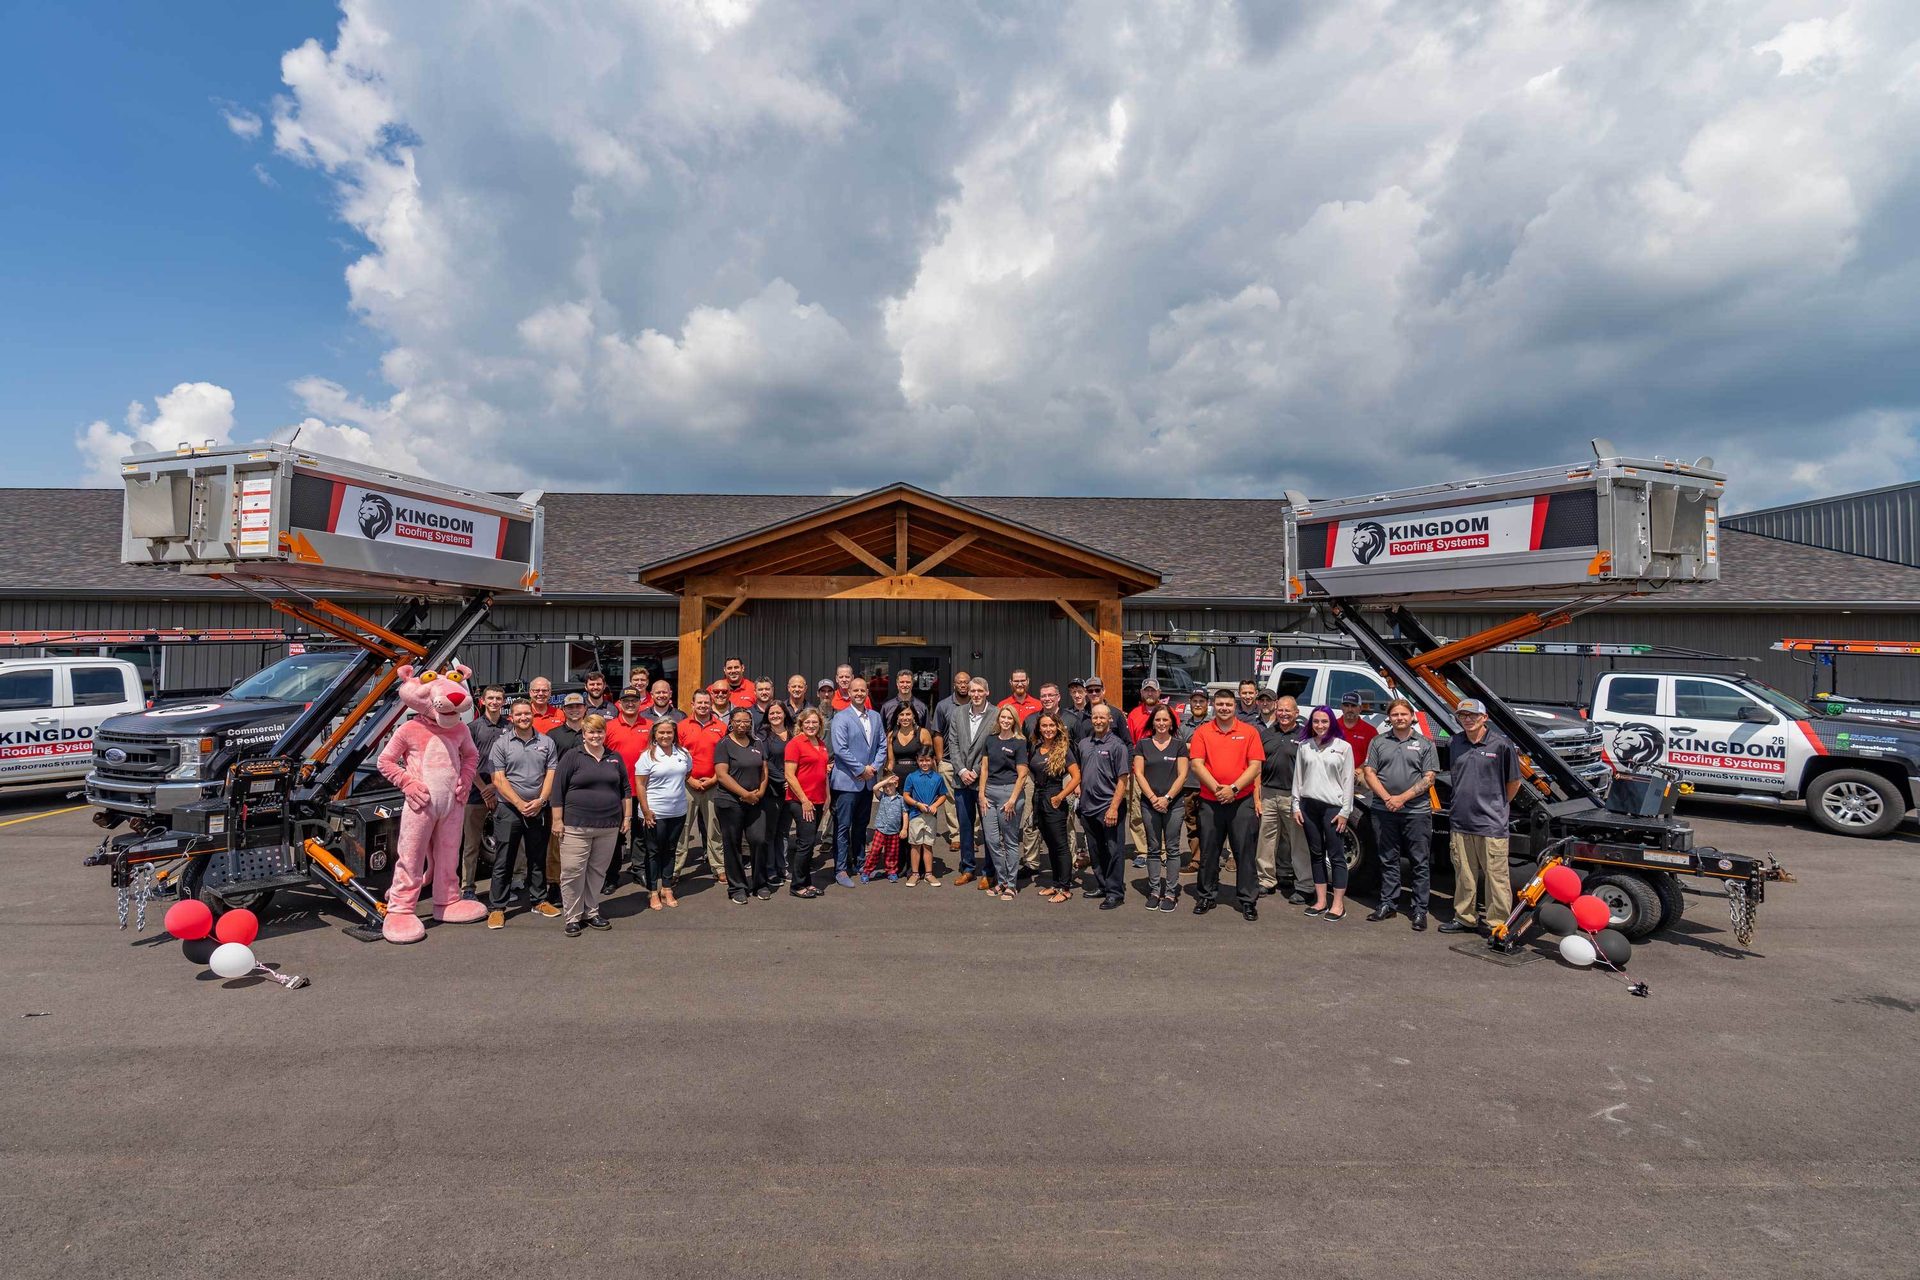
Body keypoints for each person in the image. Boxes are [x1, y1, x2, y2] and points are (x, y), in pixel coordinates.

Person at [1439, 699, 1522, 937]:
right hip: (1461, 821)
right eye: (1463, 715)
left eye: (1472, 715)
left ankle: (1498, 925)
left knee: (1496, 878)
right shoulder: (1455, 742)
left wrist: (1498, 804)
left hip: (1491, 823)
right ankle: (1465, 918)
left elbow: (1514, 782)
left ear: (1484, 718)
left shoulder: (1501, 745)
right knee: (1464, 874)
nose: (1467, 719)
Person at [1362, 697, 1440, 930]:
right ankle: (1388, 904)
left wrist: (1402, 799)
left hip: (1416, 812)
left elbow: (1429, 778)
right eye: (1395, 714)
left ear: (1412, 717)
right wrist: (1388, 799)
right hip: (1383, 809)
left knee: (1419, 861)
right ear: (1389, 718)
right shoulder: (1378, 742)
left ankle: (1419, 910)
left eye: (1403, 714)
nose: (1399, 718)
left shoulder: (1425, 744)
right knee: (1388, 858)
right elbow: (1369, 772)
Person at [1186, 689, 1264, 922]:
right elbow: (1197, 765)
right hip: (1211, 802)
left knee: (1245, 852)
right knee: (1209, 851)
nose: (1224, 708)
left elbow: (1255, 766)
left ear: (1235, 706)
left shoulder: (1249, 732)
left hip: (1242, 801)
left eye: (1228, 704)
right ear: (1213, 705)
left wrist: (1234, 789)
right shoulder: (1202, 732)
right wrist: (1219, 789)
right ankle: (1206, 895)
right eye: (1220, 704)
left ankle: (1248, 900)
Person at [552, 714, 631, 936]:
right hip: (576, 826)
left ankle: (591, 911)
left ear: (605, 734)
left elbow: (625, 788)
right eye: (591, 732)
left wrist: (626, 818)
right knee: (572, 871)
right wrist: (557, 820)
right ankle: (573, 916)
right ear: (584, 735)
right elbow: (558, 789)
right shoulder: (572, 756)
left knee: (597, 871)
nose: (596, 736)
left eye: (599, 732)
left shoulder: (614, 757)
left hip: (608, 826)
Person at [486, 698, 559, 928]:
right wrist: (519, 804)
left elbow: (551, 774)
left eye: (527, 714)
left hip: (538, 807)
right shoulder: (501, 744)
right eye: (519, 715)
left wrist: (541, 800)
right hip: (509, 808)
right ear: (512, 717)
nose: (523, 718)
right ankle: (498, 907)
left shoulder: (547, 742)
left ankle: (539, 900)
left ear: (532, 715)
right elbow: (498, 778)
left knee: (537, 856)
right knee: (504, 859)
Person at [1293, 707, 1354, 921]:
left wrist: (1346, 811)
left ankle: (1338, 905)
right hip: (1309, 806)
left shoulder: (1343, 747)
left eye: (1324, 722)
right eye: (1316, 721)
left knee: (1336, 856)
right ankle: (1320, 901)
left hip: (1333, 808)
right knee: (1316, 854)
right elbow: (1298, 778)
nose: (1320, 726)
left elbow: (1348, 782)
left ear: (1332, 723)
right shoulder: (1304, 746)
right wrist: (1295, 805)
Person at [828, 676, 886, 888]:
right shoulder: (841, 718)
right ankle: (841, 868)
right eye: (855, 691)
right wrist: (861, 769)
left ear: (867, 692)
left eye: (863, 690)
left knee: (861, 825)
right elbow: (840, 749)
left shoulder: (876, 717)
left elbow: (882, 745)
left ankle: (860, 862)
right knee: (843, 827)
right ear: (849, 693)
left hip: (867, 783)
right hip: (847, 783)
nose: (859, 694)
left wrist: (874, 768)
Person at [713, 707, 773, 903]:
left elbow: (764, 770)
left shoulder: (757, 742)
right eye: (738, 721)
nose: (742, 724)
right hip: (730, 802)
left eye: (746, 721)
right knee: (733, 844)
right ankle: (737, 887)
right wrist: (744, 794)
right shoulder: (724, 744)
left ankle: (760, 883)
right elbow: (722, 775)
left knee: (758, 840)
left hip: (756, 801)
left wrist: (761, 791)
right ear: (731, 722)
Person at [1132, 704, 1189, 911]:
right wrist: (1153, 798)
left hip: (1174, 804)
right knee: (1153, 849)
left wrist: (1166, 798)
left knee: (1173, 849)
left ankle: (1171, 892)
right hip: (1149, 804)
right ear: (1152, 722)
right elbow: (1139, 773)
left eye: (1166, 720)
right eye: (1158, 720)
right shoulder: (1143, 744)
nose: (1162, 723)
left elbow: (1183, 774)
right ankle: (1155, 890)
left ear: (1172, 722)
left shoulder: (1179, 745)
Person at [1074, 704, 1131, 909]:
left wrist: (1114, 808)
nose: (1098, 721)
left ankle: (1115, 892)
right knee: (1096, 850)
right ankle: (1103, 885)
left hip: (1108, 807)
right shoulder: (1083, 744)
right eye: (1095, 717)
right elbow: (1081, 772)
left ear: (1110, 720)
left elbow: (1123, 779)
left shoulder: (1118, 746)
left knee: (1114, 851)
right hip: (1088, 807)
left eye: (1102, 718)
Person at [1255, 694, 1309, 903]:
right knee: (1266, 840)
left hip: (1293, 795)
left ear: (1296, 713)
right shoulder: (1267, 734)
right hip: (1268, 793)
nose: (1284, 714)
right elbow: (1257, 765)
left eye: (1289, 710)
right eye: (1281, 710)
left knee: (1297, 841)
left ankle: (1303, 884)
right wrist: (1257, 795)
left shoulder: (1305, 736)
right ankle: (1266, 880)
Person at [941, 677, 994, 887]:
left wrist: (977, 771)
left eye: (980, 691)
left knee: (989, 828)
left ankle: (989, 871)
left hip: (985, 782)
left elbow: (994, 747)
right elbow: (952, 743)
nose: (976, 694)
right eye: (973, 691)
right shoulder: (958, 713)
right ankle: (968, 868)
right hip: (961, 780)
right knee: (965, 827)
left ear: (987, 692)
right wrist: (962, 770)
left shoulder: (996, 714)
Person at [634, 718, 692, 910]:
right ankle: (652, 891)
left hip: (678, 811)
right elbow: (640, 785)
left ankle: (667, 888)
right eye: (661, 733)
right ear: (654, 735)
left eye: (669, 732)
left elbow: (687, 774)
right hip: (654, 813)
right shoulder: (647, 756)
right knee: (653, 852)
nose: (665, 736)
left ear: (674, 734)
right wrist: (646, 810)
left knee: (670, 850)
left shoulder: (683, 754)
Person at [601, 686, 653, 894]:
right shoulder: (609, 726)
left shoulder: (650, 726)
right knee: (614, 835)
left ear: (640, 702)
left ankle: (638, 868)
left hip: (644, 789)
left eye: (634, 700)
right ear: (619, 704)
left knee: (641, 834)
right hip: (616, 790)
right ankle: (611, 875)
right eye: (626, 700)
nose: (630, 703)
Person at [540, 692, 589, 910]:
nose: (575, 710)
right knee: (556, 842)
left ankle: (582, 882)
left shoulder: (592, 732)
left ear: (585, 709)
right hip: (560, 795)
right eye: (570, 707)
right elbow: (547, 766)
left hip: (586, 795)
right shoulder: (553, 735)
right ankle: (554, 883)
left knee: (584, 841)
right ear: (564, 710)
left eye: (578, 706)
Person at [675, 689, 728, 883]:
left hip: (713, 785)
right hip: (687, 784)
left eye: (707, 702)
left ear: (711, 703)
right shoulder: (681, 727)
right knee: (683, 828)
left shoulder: (721, 727)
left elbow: (725, 757)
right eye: (700, 703)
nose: (703, 706)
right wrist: (689, 779)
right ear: (693, 704)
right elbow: (676, 756)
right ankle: (675, 869)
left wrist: (715, 778)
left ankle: (719, 866)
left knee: (714, 828)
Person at [1027, 710, 1080, 903]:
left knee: (1060, 845)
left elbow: (1076, 777)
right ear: (1039, 729)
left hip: (1054, 797)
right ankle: (1056, 883)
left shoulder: (1064, 749)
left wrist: (1060, 797)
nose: (1048, 729)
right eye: (1044, 726)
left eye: (1051, 725)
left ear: (1057, 727)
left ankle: (1065, 888)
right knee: (1049, 844)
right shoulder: (1036, 747)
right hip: (1039, 798)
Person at [461, 684, 508, 899]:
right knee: (471, 845)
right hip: (475, 792)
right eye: (491, 698)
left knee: (506, 842)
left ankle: (508, 884)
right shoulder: (472, 728)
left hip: (503, 791)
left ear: (504, 701)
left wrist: (495, 787)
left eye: (499, 698)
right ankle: (468, 887)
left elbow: (513, 760)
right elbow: (466, 762)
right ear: (483, 701)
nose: (495, 702)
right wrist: (484, 789)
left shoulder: (511, 727)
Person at [979, 704, 1030, 898]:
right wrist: (981, 794)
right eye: (1003, 718)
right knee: (992, 840)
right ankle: (1001, 880)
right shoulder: (990, 740)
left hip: (1010, 794)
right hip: (989, 793)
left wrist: (1012, 800)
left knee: (1009, 841)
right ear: (998, 720)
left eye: (1009, 718)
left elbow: (1023, 774)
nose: (1006, 721)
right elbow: (984, 768)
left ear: (1014, 720)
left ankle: (1011, 883)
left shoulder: (1019, 742)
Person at [783, 708, 830, 898]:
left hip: (818, 800)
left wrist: (827, 798)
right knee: (806, 842)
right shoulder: (795, 744)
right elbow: (789, 775)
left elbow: (823, 773)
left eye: (815, 722)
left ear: (820, 725)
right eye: (807, 722)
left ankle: (807, 882)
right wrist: (804, 800)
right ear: (801, 724)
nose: (811, 726)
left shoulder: (820, 743)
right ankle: (797, 885)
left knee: (810, 844)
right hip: (801, 801)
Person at [932, 668, 972, 851]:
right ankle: (956, 835)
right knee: (950, 799)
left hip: (972, 762)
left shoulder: (977, 703)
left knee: (974, 798)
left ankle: (972, 835)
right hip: (948, 761)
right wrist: (940, 759)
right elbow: (938, 733)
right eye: (960, 682)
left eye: (966, 682)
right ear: (954, 684)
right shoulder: (943, 705)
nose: (963, 685)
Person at [758, 700, 795, 887]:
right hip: (773, 790)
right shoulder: (763, 735)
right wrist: (785, 780)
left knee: (784, 831)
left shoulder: (794, 733)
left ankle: (783, 867)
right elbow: (766, 763)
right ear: (767, 716)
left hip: (791, 791)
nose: (775, 716)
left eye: (778, 712)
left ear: (785, 714)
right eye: (771, 713)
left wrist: (793, 782)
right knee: (770, 832)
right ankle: (770, 870)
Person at [900, 747, 948, 885]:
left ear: (933, 760)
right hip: (915, 815)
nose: (924, 763)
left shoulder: (938, 778)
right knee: (915, 845)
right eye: (921, 760)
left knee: (928, 844)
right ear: (917, 760)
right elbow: (906, 795)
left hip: (931, 816)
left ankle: (929, 873)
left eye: (927, 760)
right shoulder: (912, 777)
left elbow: (943, 795)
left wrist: (935, 805)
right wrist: (917, 804)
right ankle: (915, 873)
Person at [861, 773, 906, 882]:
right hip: (880, 830)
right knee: (875, 851)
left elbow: (905, 814)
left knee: (892, 853)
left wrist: (904, 828)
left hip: (894, 831)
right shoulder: (882, 796)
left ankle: (891, 871)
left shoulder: (901, 799)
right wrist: (885, 781)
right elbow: (874, 788)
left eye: (890, 785)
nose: (887, 788)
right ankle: (867, 871)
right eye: (885, 787)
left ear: (896, 784)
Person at [880, 669, 929, 733]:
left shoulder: (922, 707)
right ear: (897, 684)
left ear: (912, 684)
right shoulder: (886, 707)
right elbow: (881, 732)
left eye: (908, 682)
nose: (905, 685)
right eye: (902, 682)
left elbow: (927, 732)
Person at [1337, 692, 1379, 764]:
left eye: (1353, 706)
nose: (1349, 709)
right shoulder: (1332, 726)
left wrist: (1362, 769)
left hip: (1359, 774)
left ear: (1360, 708)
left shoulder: (1370, 731)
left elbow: (1376, 756)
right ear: (1341, 707)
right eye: (1346, 706)